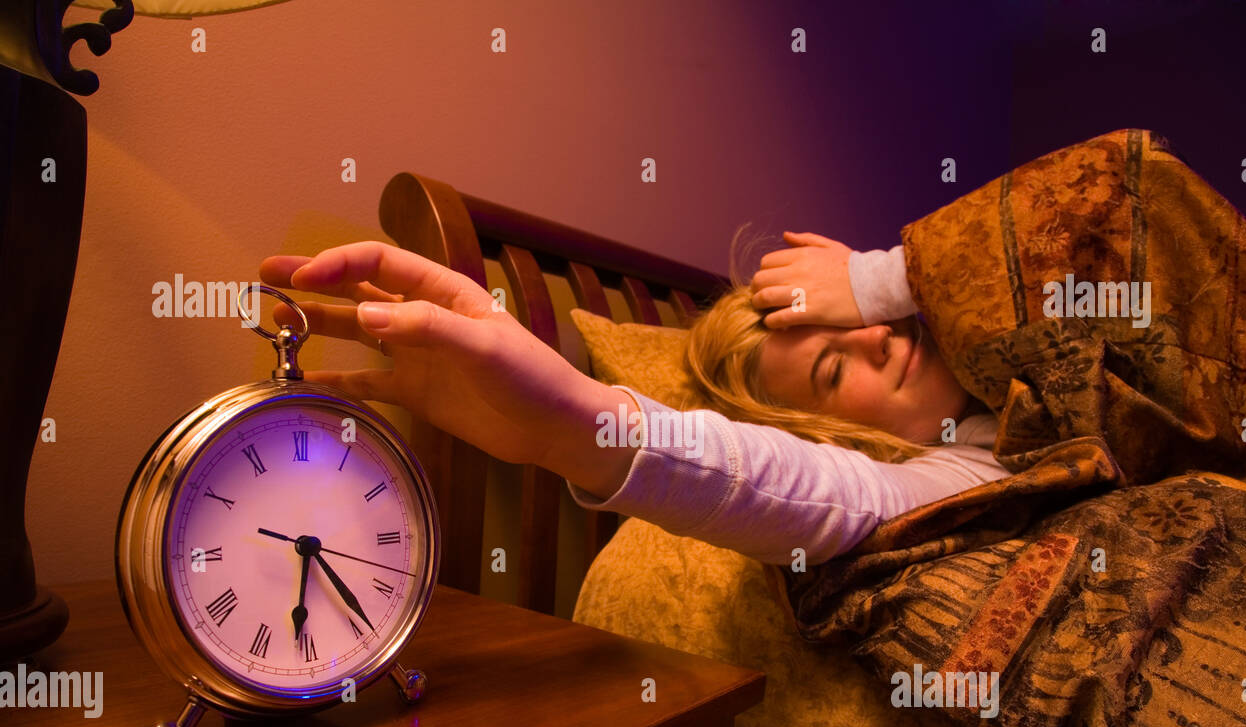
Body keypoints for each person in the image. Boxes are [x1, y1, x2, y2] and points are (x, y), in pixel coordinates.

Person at [258, 232, 1010, 567]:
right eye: (831, 373)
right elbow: (809, 489)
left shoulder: (1028, 345)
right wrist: (572, 428)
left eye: (856, 319)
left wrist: (887, 278)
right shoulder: (956, 478)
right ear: (832, 434)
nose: (879, 338)